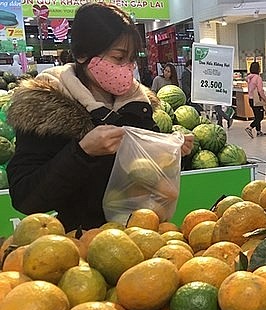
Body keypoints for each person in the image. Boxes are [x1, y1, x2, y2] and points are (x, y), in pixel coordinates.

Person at [6, 3, 193, 231]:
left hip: (145, 238)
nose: (127, 68)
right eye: (118, 58)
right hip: (81, 247)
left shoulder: (138, 105)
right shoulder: (45, 107)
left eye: (132, 59)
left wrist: (173, 151)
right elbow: (26, 197)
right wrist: (82, 152)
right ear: (83, 54)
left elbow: (153, 180)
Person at [180, 59, 232, 128]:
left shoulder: (192, 73)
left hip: (212, 92)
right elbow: (186, 86)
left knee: (217, 107)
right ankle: (224, 120)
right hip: (194, 96)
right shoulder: (186, 73)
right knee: (215, 108)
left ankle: (222, 121)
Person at [245, 61, 266, 138]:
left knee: (256, 116)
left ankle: (258, 131)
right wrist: (265, 99)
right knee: (260, 116)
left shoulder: (249, 78)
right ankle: (250, 128)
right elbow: (260, 90)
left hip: (251, 99)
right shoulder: (258, 78)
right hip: (256, 100)